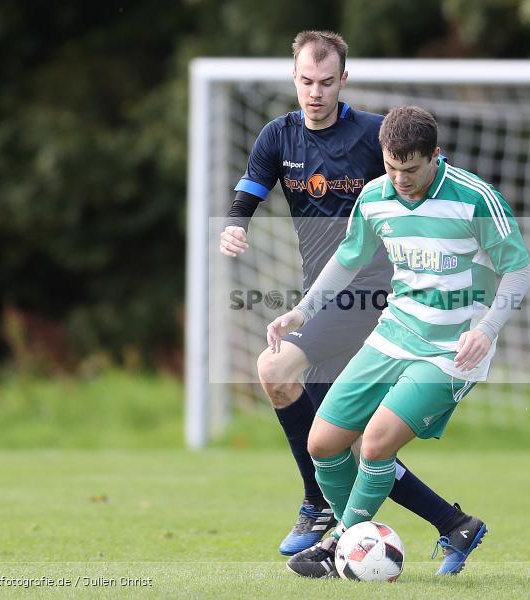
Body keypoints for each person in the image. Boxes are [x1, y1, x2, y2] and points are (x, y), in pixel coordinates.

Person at [219, 31, 479, 567]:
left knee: (275, 368)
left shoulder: (370, 135)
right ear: (294, 78)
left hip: (377, 295)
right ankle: (455, 525)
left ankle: (318, 508)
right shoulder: (278, 136)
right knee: (351, 444)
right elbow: (252, 186)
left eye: (326, 82)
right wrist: (236, 224)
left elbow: (433, 175)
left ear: (344, 80)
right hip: (325, 295)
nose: (315, 92)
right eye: (306, 81)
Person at [268, 106, 530, 578]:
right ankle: (437, 530)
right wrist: (301, 311)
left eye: (410, 169)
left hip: (452, 351)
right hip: (393, 335)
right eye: (391, 167)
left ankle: (338, 546)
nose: (399, 179)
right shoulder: (375, 196)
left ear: (435, 156)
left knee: (375, 444)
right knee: (323, 443)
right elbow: (348, 259)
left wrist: (486, 330)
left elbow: (519, 270)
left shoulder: (474, 198)